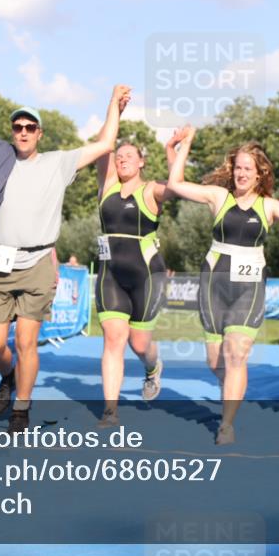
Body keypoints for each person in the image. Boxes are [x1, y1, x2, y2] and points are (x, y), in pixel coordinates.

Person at [0, 51, 124, 433]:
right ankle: (7, 378)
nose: (22, 132)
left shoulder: (59, 162)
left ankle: (21, 409)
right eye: (17, 126)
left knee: (26, 341)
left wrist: (113, 105)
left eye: (29, 127)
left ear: (40, 133)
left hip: (38, 264)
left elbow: (107, 142)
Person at [166, 127, 279, 444]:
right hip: (214, 285)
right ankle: (232, 391)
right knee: (216, 362)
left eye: (247, 169)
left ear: (259, 174)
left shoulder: (269, 206)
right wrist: (186, 146)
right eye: (237, 167)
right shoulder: (218, 197)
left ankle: (226, 424)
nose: (241, 173)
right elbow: (175, 184)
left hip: (248, 288)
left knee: (236, 352)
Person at [94, 137, 177, 427]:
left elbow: (176, 186)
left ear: (141, 161)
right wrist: (116, 105)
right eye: (118, 156)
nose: (122, 159)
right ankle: (110, 411)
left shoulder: (150, 189)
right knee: (114, 339)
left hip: (146, 276)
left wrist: (174, 152)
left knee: (139, 344)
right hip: (110, 275)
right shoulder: (106, 188)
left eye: (129, 155)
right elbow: (103, 144)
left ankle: (153, 367)